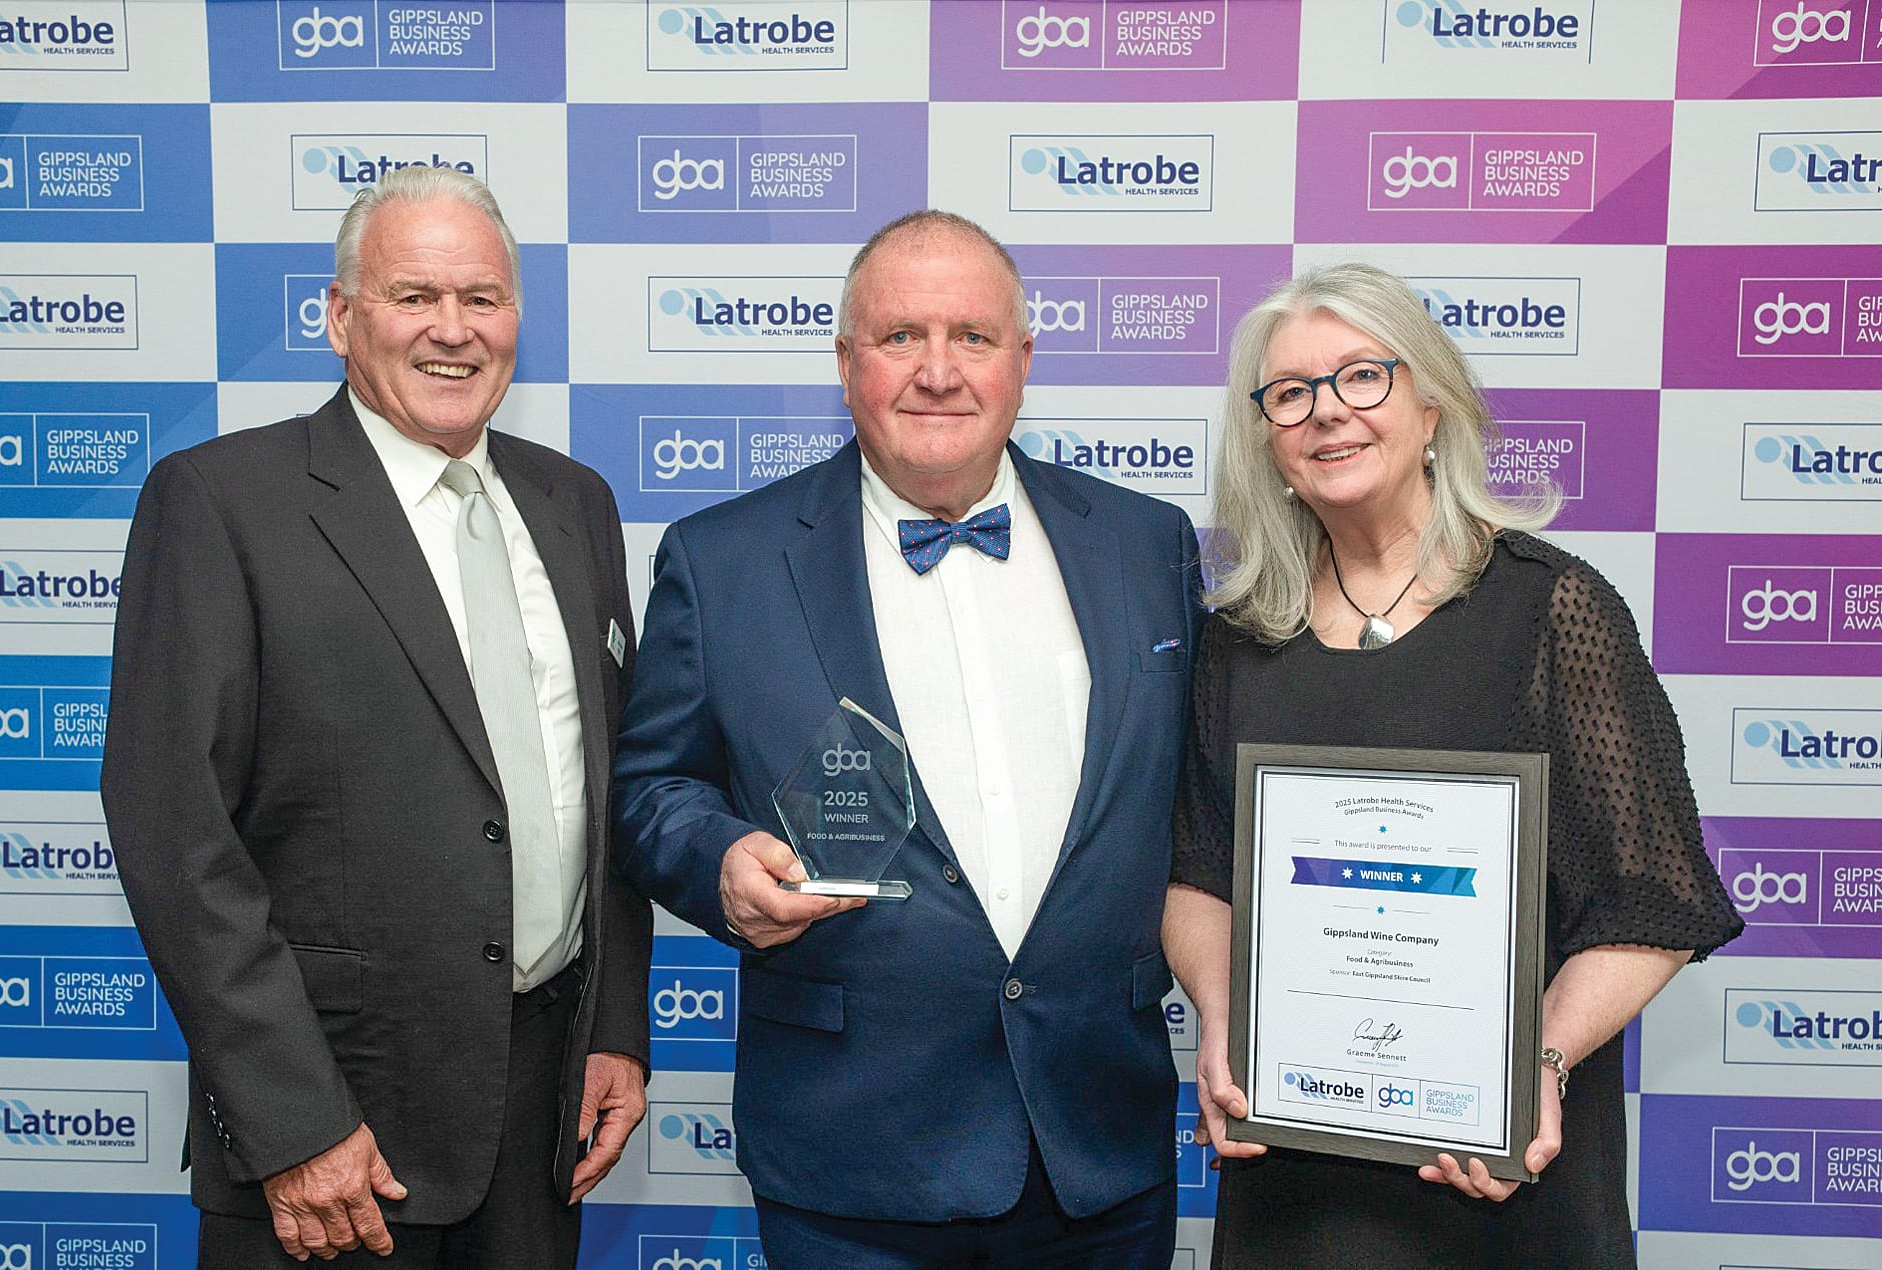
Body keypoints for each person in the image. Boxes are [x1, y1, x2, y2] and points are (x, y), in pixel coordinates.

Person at [612, 209, 1204, 1266]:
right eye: (899, 338)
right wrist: (719, 861)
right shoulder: (722, 561)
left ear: (1021, 361)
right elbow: (652, 788)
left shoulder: (1143, 542)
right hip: (853, 1154)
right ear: (845, 364)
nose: (938, 371)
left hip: (1096, 1143)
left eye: (973, 337)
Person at [100, 166, 652, 1267]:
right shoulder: (220, 502)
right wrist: (293, 1123)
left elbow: (607, 788)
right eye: (413, 296)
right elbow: (175, 829)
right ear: (340, 317)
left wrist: (612, 1031)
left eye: (483, 299)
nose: (453, 330)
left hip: (542, 1119)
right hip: (333, 1136)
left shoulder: (573, 502)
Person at [1163, 262, 1742, 1268]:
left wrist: (1537, 1060)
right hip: (1298, 1163)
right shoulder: (1239, 638)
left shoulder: (1549, 610)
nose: (1325, 413)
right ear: (1267, 439)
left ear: (1428, 404)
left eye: (1359, 377)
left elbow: (1652, 899)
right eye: (1289, 393)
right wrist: (1220, 1018)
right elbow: (1196, 868)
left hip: (1501, 1166)